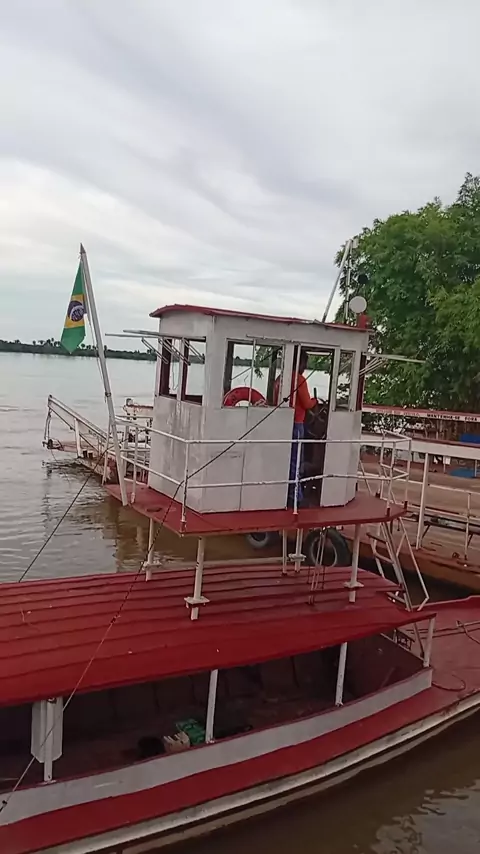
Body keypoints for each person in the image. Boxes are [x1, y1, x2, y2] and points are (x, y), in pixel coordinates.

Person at [273, 350, 317, 506]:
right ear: (300, 362)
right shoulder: (299, 380)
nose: (305, 367)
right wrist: (315, 401)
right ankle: (295, 496)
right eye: (305, 363)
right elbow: (307, 404)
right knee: (295, 460)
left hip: (280, 424)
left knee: (282, 459)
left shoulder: (280, 378)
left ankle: (280, 493)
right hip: (297, 424)